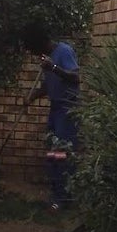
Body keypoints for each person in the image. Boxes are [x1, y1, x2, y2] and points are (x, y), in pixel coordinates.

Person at [34, 35, 80, 210]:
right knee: (52, 152)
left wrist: (53, 67)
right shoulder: (46, 58)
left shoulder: (64, 51)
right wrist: (32, 97)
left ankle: (65, 198)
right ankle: (55, 195)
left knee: (62, 153)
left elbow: (75, 77)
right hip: (55, 109)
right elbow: (47, 86)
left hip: (67, 109)